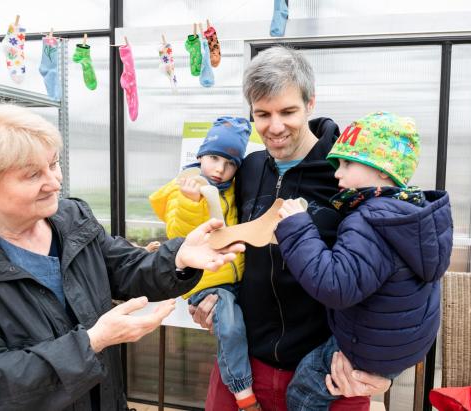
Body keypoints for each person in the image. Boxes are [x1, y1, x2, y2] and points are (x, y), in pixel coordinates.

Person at [0, 103, 244, 411]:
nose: (54, 181)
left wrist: (179, 257)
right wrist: (91, 342)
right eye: (32, 175)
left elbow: (126, 269)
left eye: (54, 163)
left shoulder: (71, 219)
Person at [190, 46, 392, 411]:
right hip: (243, 366)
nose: (275, 126)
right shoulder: (248, 169)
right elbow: (220, 239)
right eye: (262, 114)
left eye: (288, 111)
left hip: (326, 374)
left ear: (310, 103)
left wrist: (387, 364)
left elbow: (397, 271)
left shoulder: (347, 176)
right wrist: (208, 296)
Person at [276, 111, 453, 410]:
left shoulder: (369, 220)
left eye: (346, 163)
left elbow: (334, 285)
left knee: (304, 388)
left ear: (383, 171)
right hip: (401, 348)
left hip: (370, 350)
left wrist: (297, 227)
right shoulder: (412, 215)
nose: (336, 174)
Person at [149, 117, 259, 410]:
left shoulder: (232, 189)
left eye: (230, 163)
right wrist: (189, 201)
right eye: (213, 158)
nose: (220, 170)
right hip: (208, 281)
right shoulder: (184, 188)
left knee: (236, 327)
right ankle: (243, 393)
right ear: (200, 157)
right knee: (232, 328)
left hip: (234, 278)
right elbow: (179, 233)